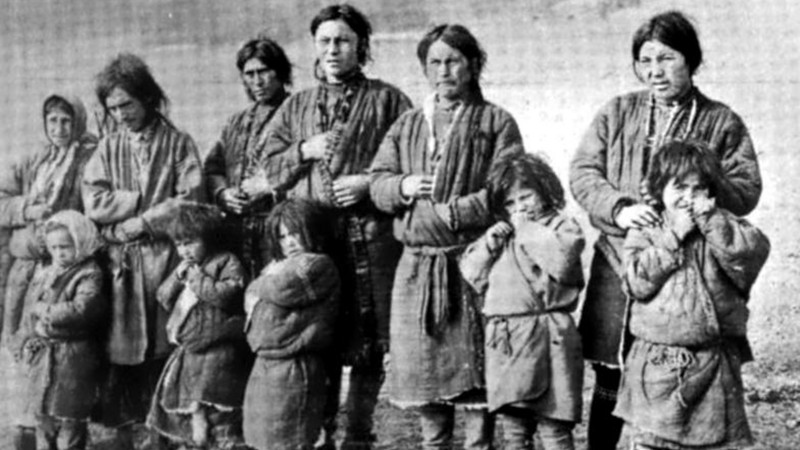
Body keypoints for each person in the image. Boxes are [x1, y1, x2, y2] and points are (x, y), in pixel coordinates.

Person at [568, 11, 763, 449]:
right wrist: (620, 209)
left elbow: (747, 188)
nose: (654, 71)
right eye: (645, 60)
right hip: (621, 257)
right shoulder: (617, 112)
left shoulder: (722, 121)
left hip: (691, 267)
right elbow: (583, 172)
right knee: (611, 372)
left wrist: (699, 194)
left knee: (682, 369)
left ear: (691, 60)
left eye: (667, 58)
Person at [259, 4, 412, 448]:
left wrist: (368, 182)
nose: (333, 49)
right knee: (317, 339)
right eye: (324, 41)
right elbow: (268, 166)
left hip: (372, 239)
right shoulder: (295, 106)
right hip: (313, 242)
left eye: (342, 40)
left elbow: (411, 160)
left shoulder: (388, 100)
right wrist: (304, 149)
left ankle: (358, 435)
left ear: (360, 46)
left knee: (368, 344)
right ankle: (320, 434)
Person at [370, 23, 524, 450]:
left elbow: (508, 188)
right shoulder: (406, 125)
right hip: (418, 269)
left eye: (453, 61)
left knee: (476, 377)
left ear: (473, 65)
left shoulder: (496, 122)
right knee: (426, 377)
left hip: (473, 266)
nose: (443, 71)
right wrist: (402, 186)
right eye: (434, 62)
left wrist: (455, 212)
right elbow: (377, 182)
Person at [82, 53, 205, 449]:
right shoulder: (108, 148)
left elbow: (190, 199)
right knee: (122, 360)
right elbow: (93, 201)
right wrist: (131, 205)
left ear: (148, 98)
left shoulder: (178, 143)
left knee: (165, 354)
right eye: (113, 108)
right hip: (122, 267)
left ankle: (165, 437)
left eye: (127, 105)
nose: (121, 115)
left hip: (166, 263)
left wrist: (145, 222)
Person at [614, 140, 769, 449]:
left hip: (714, 362)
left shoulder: (722, 222)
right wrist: (673, 237)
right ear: (659, 189)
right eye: (680, 187)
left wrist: (712, 221)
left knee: (716, 438)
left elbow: (750, 255)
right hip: (658, 363)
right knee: (651, 440)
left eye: (698, 188)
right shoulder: (647, 228)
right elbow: (635, 282)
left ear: (711, 191)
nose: (689, 197)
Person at [459, 153, 584, 450]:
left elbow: (563, 264)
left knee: (554, 426)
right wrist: (489, 244)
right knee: (514, 428)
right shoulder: (504, 235)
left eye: (526, 197)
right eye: (510, 203)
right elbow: (472, 274)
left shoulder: (562, 227)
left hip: (550, 338)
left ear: (545, 190)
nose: (519, 208)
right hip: (508, 340)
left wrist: (528, 230)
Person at [0, 93, 98, 450]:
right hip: (26, 271)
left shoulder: (89, 159)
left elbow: (91, 211)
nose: (59, 128)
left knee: (59, 354)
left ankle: (63, 433)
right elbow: (2, 198)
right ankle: (27, 433)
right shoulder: (34, 159)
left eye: (66, 121)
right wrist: (27, 209)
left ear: (78, 123)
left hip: (65, 270)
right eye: (53, 120)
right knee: (22, 346)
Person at [145, 200, 249, 449]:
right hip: (190, 346)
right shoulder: (187, 267)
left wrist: (196, 278)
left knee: (216, 404)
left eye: (191, 242)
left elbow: (227, 296)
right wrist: (177, 277)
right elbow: (163, 297)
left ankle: (221, 440)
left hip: (218, 346)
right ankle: (196, 439)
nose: (185, 251)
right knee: (191, 404)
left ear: (209, 238)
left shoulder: (226, 262)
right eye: (179, 244)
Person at [243, 199, 340, 450]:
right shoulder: (280, 266)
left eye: (295, 233)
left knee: (293, 437)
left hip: (296, 362)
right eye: (283, 237)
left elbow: (282, 289)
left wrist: (257, 285)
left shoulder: (317, 263)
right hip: (267, 361)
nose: (290, 242)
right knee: (265, 437)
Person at [14, 210, 106, 450]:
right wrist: (28, 337)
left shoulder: (89, 274)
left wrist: (45, 310)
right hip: (44, 355)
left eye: (65, 247)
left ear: (80, 242)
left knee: (70, 419)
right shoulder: (47, 272)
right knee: (42, 415)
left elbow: (81, 309)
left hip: (73, 357)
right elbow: (30, 307)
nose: (59, 253)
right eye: (53, 248)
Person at [204, 37, 292, 278]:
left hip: (280, 228)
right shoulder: (236, 122)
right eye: (249, 74)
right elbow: (213, 168)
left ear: (280, 71)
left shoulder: (297, 112)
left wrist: (269, 186)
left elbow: (305, 168)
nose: (257, 81)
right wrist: (223, 194)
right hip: (237, 229)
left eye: (263, 71)